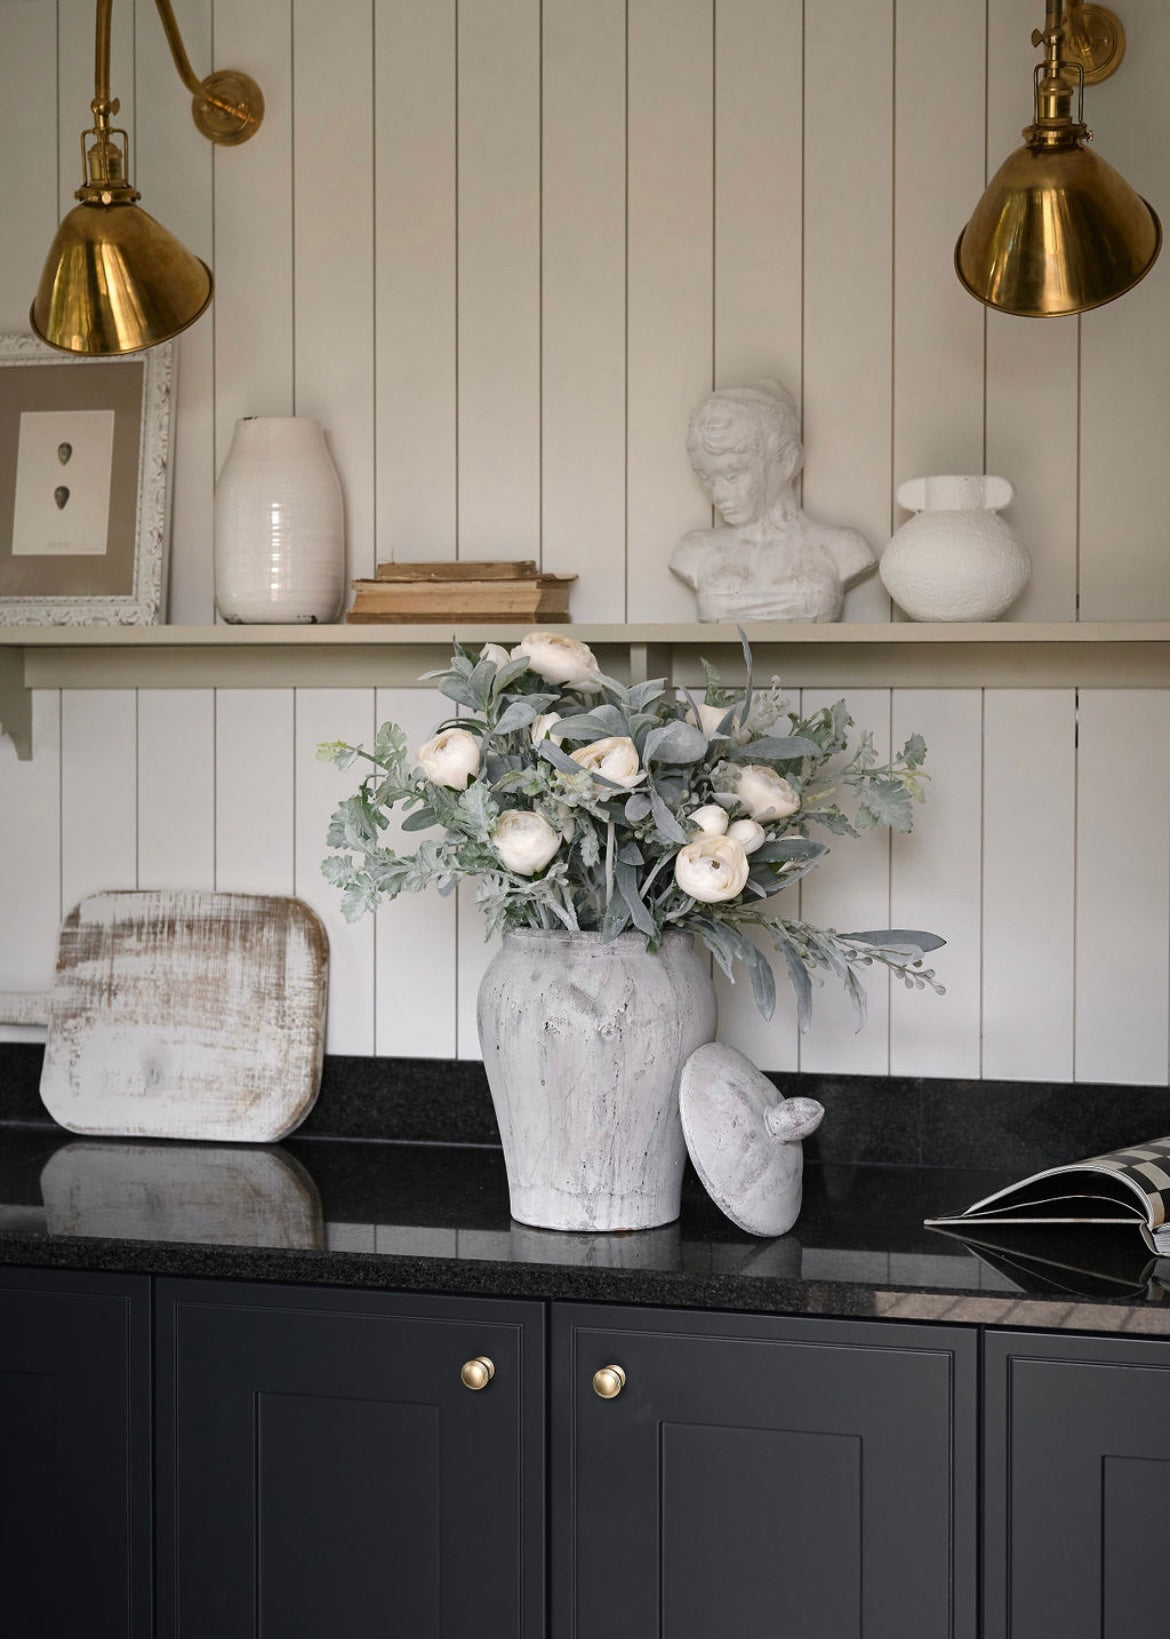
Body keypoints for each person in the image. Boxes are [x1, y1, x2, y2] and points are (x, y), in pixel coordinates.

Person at [671, 379, 875, 622]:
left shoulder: (844, 547)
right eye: (707, 478)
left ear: (788, 461)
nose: (718, 496)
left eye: (732, 475)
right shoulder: (694, 551)